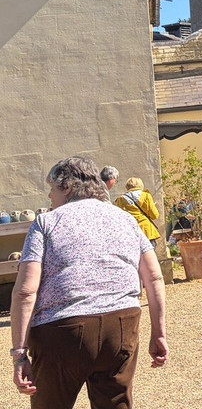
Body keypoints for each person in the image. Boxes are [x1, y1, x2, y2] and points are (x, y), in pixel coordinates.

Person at [11, 157, 168, 408]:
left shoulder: (47, 222)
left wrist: (19, 355)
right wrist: (159, 333)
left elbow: (25, 292)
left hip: (62, 329)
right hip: (122, 325)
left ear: (67, 187)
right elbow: (154, 277)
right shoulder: (126, 219)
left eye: (52, 189)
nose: (50, 197)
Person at [114, 177, 162, 247]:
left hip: (130, 232)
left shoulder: (120, 199)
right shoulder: (146, 196)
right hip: (146, 231)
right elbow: (154, 215)